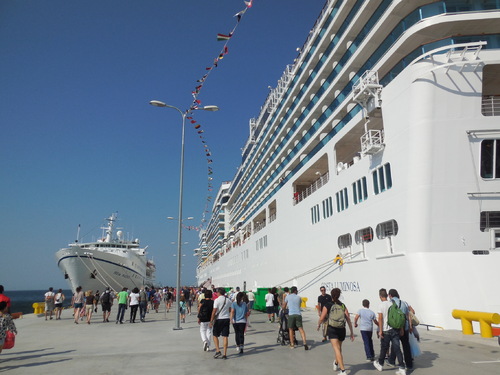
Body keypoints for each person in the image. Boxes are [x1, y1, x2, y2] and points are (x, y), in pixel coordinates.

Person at [318, 287, 354, 374]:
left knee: (336, 349)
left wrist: (318, 324)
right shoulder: (342, 305)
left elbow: (322, 317)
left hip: (332, 328)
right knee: (339, 348)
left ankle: (343, 371)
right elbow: (348, 319)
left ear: (331, 295)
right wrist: (351, 332)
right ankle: (336, 362)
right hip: (342, 329)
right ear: (339, 295)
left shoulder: (328, 305)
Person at [373, 288, 406, 375]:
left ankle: (380, 364)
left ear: (380, 296)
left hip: (385, 330)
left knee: (384, 348)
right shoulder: (392, 303)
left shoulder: (381, 305)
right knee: (397, 348)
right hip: (395, 329)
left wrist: (380, 331)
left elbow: (380, 318)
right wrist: (401, 329)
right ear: (387, 295)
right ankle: (402, 368)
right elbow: (399, 316)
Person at [387, 289, 413, 371]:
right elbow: (408, 315)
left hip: (396, 328)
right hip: (405, 327)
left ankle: (394, 362)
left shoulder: (391, 303)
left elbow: (397, 317)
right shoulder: (404, 303)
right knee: (406, 346)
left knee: (395, 345)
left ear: (390, 295)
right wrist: (410, 326)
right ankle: (409, 364)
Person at [283, 286, 309, 350]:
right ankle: (304, 342)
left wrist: (284, 310)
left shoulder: (287, 297)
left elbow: (284, 306)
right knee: (301, 329)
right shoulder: (299, 297)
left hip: (291, 314)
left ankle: (292, 344)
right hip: (298, 314)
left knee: (291, 329)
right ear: (295, 291)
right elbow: (299, 305)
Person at [210, 287, 231, 359]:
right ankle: (225, 354)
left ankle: (218, 350)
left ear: (219, 293)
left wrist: (211, 321)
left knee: (215, 335)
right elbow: (230, 310)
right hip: (226, 319)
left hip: (219, 319)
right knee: (225, 336)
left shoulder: (216, 300)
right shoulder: (228, 300)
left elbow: (214, 311)